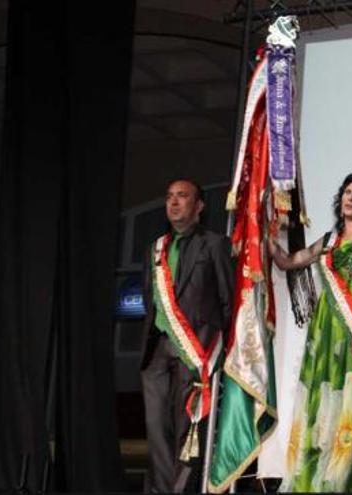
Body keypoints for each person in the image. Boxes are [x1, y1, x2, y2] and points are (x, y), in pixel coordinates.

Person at [271, 170, 352, 492]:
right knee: (322, 397)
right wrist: (263, 235)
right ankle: (318, 480)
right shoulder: (327, 241)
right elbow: (287, 262)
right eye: (347, 192)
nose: (351, 198)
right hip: (326, 331)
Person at [140, 179, 234, 493]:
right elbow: (150, 299)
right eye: (169, 197)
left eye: (182, 196)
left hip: (196, 352)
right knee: (157, 431)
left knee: (187, 431)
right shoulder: (156, 248)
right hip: (157, 351)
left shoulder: (215, 244)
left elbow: (227, 301)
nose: (174, 202)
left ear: (199, 206)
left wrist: (216, 349)